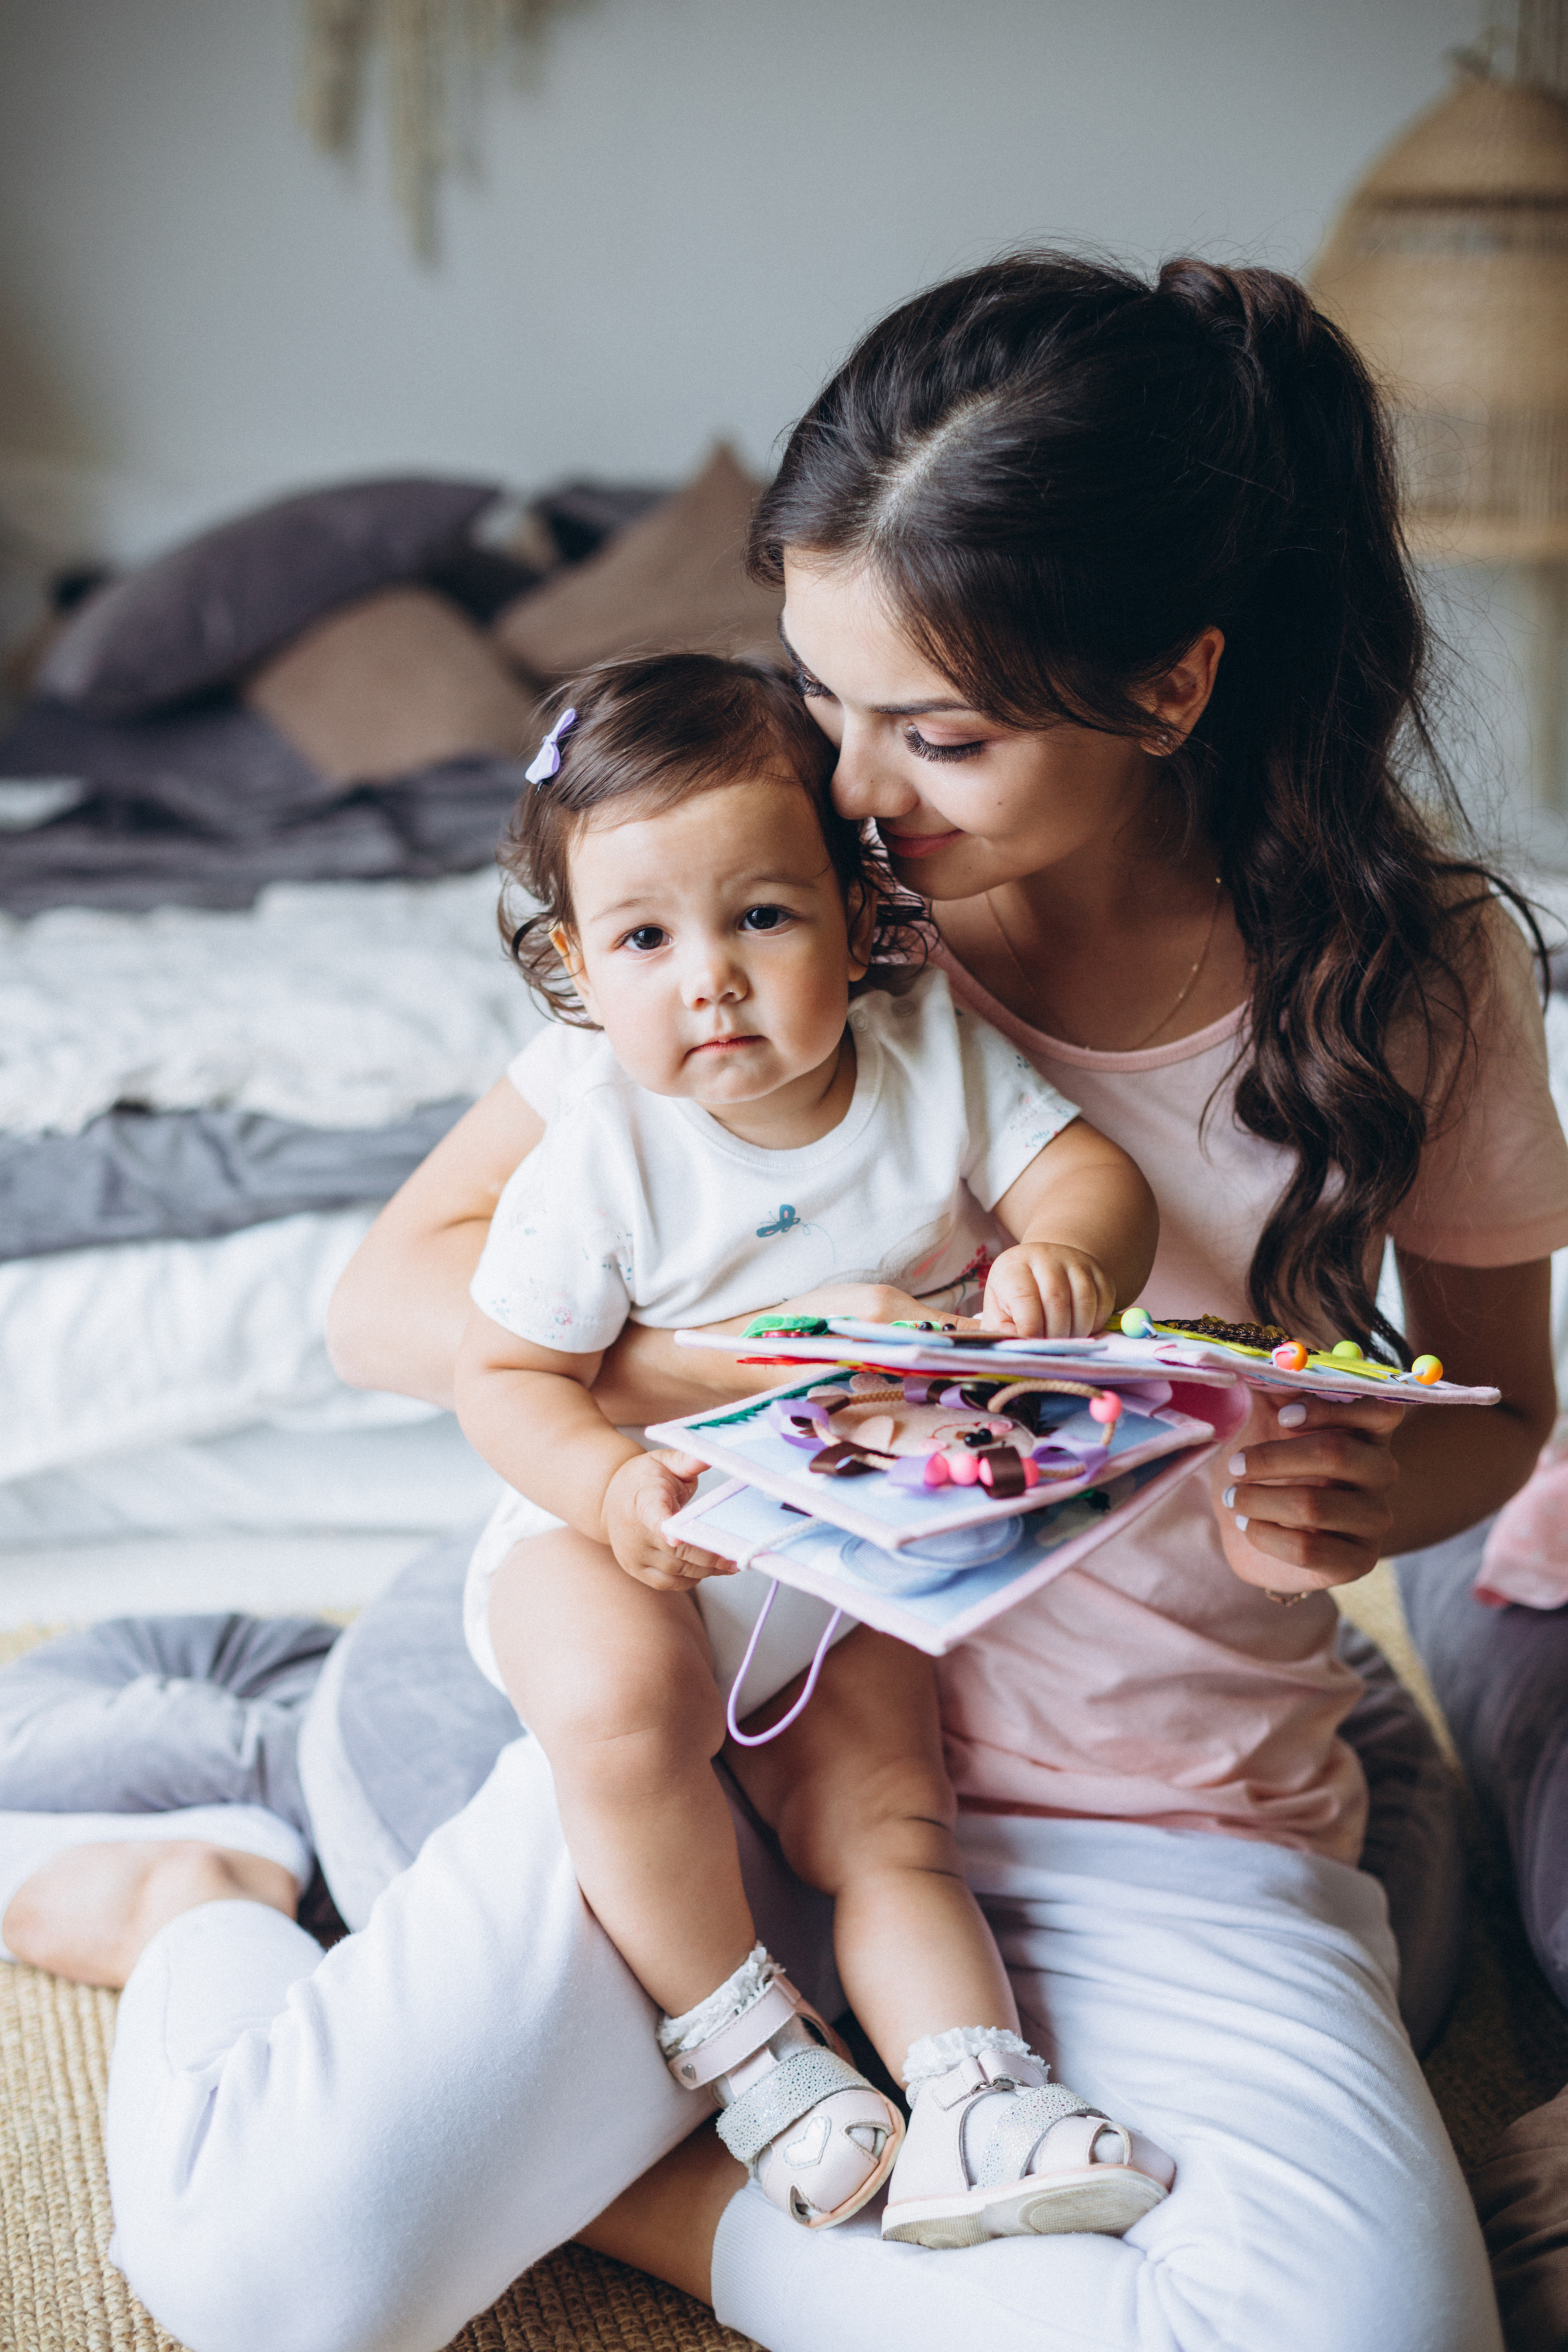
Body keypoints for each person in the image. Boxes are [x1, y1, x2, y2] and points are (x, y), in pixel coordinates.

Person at [4, 251, 1564, 2352]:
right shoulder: (777, 932)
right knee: (264, 2281)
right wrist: (708, 1373)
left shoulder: (1414, 978)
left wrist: (1378, 1504)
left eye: (940, 733)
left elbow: (1503, 1408)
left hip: (1154, 1784)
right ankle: (204, 1890)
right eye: (826, 703)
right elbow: (391, 1303)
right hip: (733, 1733)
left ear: (1174, 686)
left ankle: (683, 2186)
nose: (852, 793)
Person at [455, 651, 1166, 2244]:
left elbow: (1091, 1179)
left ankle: (977, 2096)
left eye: (761, 917)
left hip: (837, 1550)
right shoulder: (610, 1153)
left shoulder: (931, 1064)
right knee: (623, 1707)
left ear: (858, 916)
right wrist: (612, 1488)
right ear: (576, 964)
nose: (708, 976)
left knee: (891, 1814)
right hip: (618, 1538)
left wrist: (1072, 1258)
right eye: (645, 938)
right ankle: (758, 2055)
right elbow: (503, 1374)